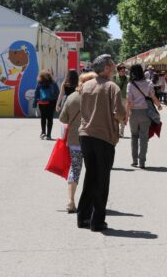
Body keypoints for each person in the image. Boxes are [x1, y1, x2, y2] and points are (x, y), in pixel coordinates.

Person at [77, 54, 127, 232]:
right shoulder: (112, 87)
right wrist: (123, 118)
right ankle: (97, 221)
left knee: (90, 176)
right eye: (112, 67)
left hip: (86, 135)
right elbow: (118, 112)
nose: (114, 70)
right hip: (103, 137)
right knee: (102, 179)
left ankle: (83, 216)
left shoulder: (86, 85)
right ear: (106, 68)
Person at [59, 71, 97, 213]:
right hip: (93, 139)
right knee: (93, 170)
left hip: (75, 140)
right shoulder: (96, 97)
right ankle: (91, 202)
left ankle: (70, 201)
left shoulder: (71, 97)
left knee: (75, 169)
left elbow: (63, 119)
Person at [127, 64, 162, 169]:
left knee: (134, 136)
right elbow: (153, 96)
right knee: (144, 137)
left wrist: (126, 114)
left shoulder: (130, 85)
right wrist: (159, 105)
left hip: (134, 113)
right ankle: (142, 161)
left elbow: (129, 101)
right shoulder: (149, 83)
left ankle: (134, 160)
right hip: (146, 113)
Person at [33, 70, 60, 140]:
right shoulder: (53, 83)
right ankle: (49, 135)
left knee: (43, 117)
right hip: (52, 103)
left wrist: (35, 102)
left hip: (42, 103)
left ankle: (43, 132)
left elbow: (36, 93)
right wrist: (56, 102)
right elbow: (57, 93)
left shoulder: (40, 83)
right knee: (50, 118)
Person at [114, 65, 129, 137]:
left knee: (123, 115)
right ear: (118, 71)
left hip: (124, 99)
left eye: (124, 71)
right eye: (122, 71)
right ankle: (116, 131)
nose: (124, 72)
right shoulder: (114, 77)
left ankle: (121, 132)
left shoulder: (128, 78)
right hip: (116, 99)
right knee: (115, 115)